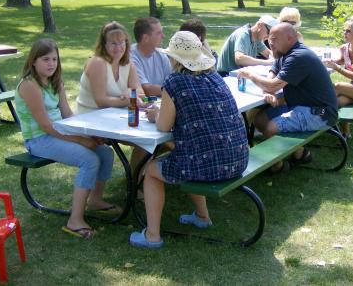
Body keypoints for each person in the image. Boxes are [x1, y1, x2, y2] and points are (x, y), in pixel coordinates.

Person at [129, 31, 249, 249]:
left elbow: (163, 127)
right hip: (238, 158)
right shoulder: (214, 77)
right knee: (190, 155)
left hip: (207, 163)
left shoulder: (175, 82)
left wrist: (157, 115)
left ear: (174, 58)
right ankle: (202, 217)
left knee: (152, 171)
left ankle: (152, 236)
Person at [15, 39, 117, 239]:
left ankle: (95, 201)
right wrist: (80, 140)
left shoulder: (55, 81)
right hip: (39, 139)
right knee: (89, 160)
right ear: (33, 61)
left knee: (105, 153)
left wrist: (89, 134)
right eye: (45, 59)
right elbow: (45, 126)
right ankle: (75, 220)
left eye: (54, 59)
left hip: (57, 132)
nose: (51, 63)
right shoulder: (29, 85)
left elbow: (68, 115)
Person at [238, 23, 338, 172]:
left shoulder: (299, 56)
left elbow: (273, 85)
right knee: (260, 120)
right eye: (269, 38)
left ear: (290, 38)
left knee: (271, 129)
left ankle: (278, 166)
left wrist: (251, 75)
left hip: (319, 113)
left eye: (274, 39)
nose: (270, 42)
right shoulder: (284, 53)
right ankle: (301, 154)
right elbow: (273, 73)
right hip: (300, 107)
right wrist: (268, 91)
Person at [75, 21, 147, 175]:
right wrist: (127, 99)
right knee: (143, 140)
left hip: (115, 118)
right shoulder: (97, 63)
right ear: (104, 44)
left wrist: (130, 92)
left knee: (145, 141)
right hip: (91, 119)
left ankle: (135, 180)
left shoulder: (128, 64)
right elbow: (101, 101)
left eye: (122, 42)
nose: (119, 47)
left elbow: (139, 93)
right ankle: (135, 183)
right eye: (113, 43)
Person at [131, 17, 171, 97]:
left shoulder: (161, 54)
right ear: (146, 38)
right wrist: (175, 91)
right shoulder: (131, 56)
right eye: (159, 33)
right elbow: (146, 89)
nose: (163, 36)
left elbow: (171, 82)